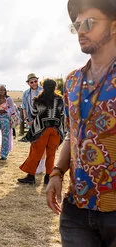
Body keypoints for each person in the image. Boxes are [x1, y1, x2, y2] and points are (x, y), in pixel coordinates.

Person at [46, 0, 116, 246]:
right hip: (77, 209)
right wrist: (57, 172)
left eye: (89, 22)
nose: (81, 31)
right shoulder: (73, 81)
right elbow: (73, 134)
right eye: (76, 25)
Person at [17, 79, 64, 185]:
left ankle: (31, 177)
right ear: (54, 87)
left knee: (36, 153)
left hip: (41, 130)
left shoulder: (38, 100)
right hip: (55, 130)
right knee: (51, 154)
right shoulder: (60, 99)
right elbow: (61, 113)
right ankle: (48, 177)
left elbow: (33, 114)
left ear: (43, 87)